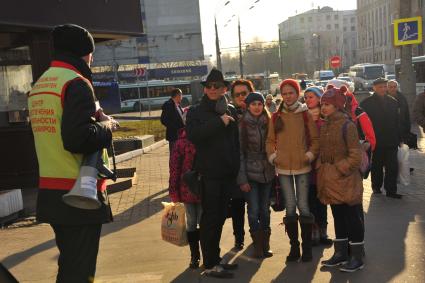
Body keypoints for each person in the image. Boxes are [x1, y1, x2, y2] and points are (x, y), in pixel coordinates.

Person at [28, 24, 116, 283]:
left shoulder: (42, 84)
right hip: (79, 195)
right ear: (84, 52)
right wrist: (106, 127)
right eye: (91, 52)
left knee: (70, 266)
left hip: (52, 193)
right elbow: (78, 139)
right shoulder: (76, 83)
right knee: (81, 271)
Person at [186, 68, 239, 279]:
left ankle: (216, 259)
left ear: (224, 88)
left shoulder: (231, 110)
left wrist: (235, 167)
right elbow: (194, 136)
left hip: (227, 173)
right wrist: (218, 122)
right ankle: (209, 263)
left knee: (219, 219)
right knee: (209, 219)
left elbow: (235, 142)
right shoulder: (196, 111)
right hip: (209, 174)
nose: (212, 89)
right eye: (209, 86)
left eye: (217, 86)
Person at [266, 79, 319, 263]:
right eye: (285, 93)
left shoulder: (305, 115)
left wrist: (310, 155)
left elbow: (315, 139)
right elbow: (270, 140)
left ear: (297, 94)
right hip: (283, 168)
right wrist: (273, 157)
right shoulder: (276, 115)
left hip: (303, 166)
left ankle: (307, 248)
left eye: (291, 93)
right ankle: (294, 247)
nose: (288, 96)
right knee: (289, 208)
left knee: (303, 206)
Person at [317, 86, 365, 272]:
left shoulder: (348, 125)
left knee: (352, 218)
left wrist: (338, 168)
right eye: (323, 104)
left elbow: (355, 156)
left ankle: (357, 256)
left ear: (338, 106)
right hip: (330, 181)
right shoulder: (326, 124)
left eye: (328, 104)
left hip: (346, 181)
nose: (324, 108)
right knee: (338, 216)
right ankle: (341, 254)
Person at [237, 92, 275, 258]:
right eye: (253, 104)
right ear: (248, 106)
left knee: (265, 210)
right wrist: (242, 179)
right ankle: (257, 245)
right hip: (249, 172)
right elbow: (239, 154)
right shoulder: (242, 124)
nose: (257, 107)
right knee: (253, 210)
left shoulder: (270, 121)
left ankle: (265, 244)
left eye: (260, 104)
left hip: (267, 171)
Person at [168, 114, 202, 269]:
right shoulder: (181, 143)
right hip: (189, 189)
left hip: (201, 188)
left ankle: (201, 256)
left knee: (200, 222)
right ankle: (195, 255)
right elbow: (174, 168)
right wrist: (174, 191)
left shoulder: (203, 138)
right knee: (193, 222)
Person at [360, 78, 402, 199]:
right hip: (375, 141)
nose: (383, 89)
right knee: (376, 166)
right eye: (380, 87)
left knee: (392, 166)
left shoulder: (393, 102)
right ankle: (376, 187)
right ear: (374, 88)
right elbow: (361, 123)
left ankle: (391, 190)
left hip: (391, 140)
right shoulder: (366, 103)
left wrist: (400, 138)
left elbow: (397, 121)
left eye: (384, 87)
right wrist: (365, 139)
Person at [227, 79, 255, 251]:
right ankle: (239, 239)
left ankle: (258, 237)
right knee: (237, 206)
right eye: (237, 94)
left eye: (244, 93)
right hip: (237, 168)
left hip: (257, 167)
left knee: (257, 207)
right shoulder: (230, 115)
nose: (241, 97)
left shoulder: (260, 112)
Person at [303, 86, 332, 246]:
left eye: (311, 97)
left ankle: (323, 231)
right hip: (306, 167)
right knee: (310, 201)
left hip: (322, 167)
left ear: (320, 98)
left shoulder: (326, 117)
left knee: (322, 201)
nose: (308, 100)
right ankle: (313, 231)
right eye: (306, 97)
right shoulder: (301, 117)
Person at [160, 88, 185, 154]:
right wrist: (175, 128)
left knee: (179, 156)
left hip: (180, 135)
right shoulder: (168, 105)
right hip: (174, 136)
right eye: (181, 95)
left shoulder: (177, 105)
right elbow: (163, 120)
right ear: (178, 95)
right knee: (174, 156)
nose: (182, 97)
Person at [387, 80, 411, 144]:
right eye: (390, 87)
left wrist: (407, 129)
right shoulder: (383, 98)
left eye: (394, 87)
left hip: (401, 129)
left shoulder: (402, 98)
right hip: (388, 131)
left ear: (397, 87)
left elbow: (407, 114)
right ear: (387, 87)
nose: (393, 89)